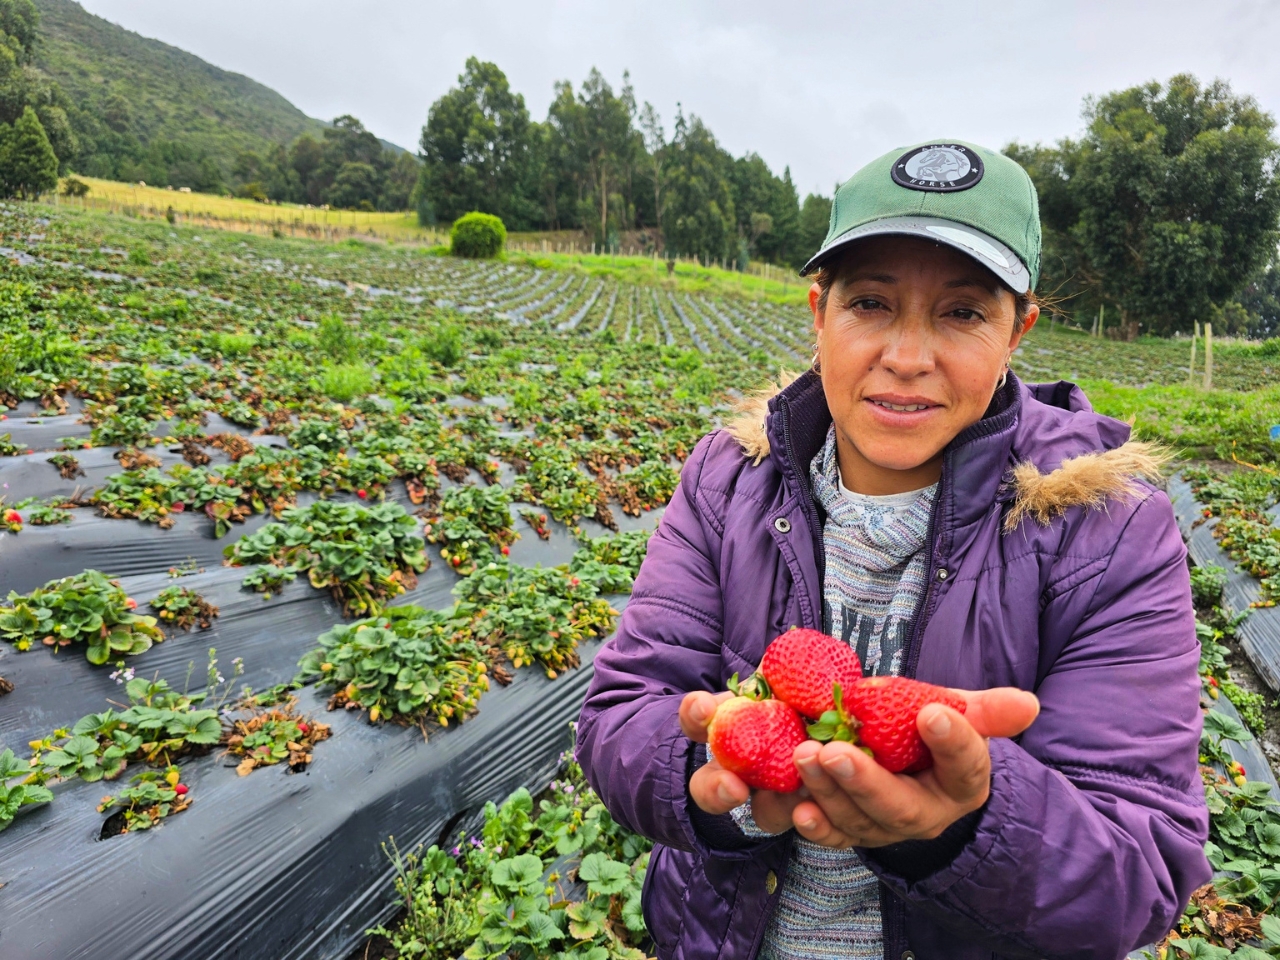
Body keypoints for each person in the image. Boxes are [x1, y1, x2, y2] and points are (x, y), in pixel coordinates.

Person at [576, 140, 1210, 959]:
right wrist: (716, 778)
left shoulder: (1107, 526)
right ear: (818, 314)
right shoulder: (728, 478)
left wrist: (966, 823)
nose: (907, 359)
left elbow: (1139, 869)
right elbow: (621, 716)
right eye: (870, 303)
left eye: (962, 312)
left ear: (1018, 330)